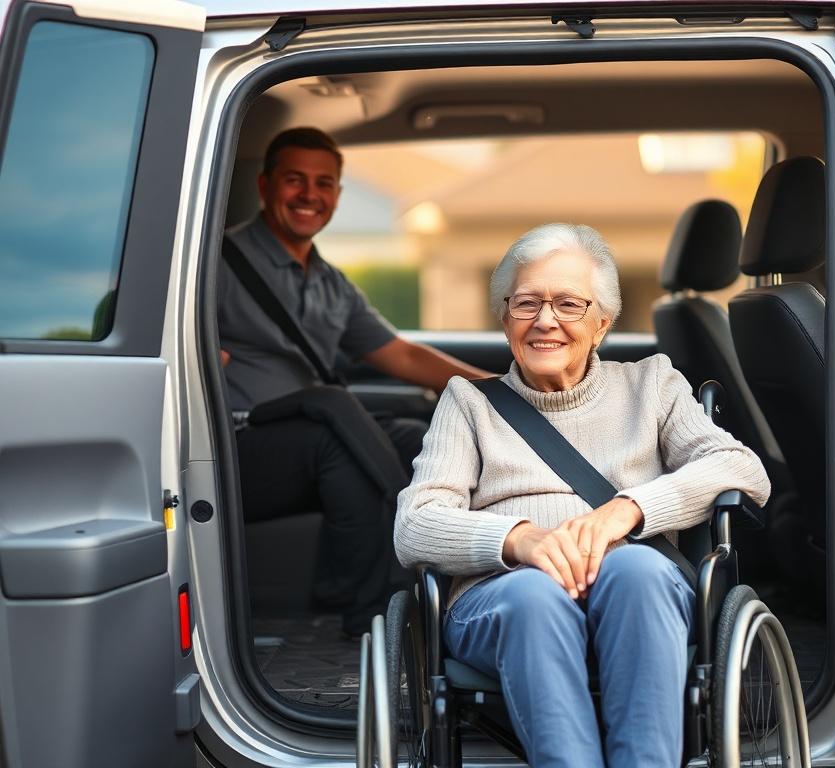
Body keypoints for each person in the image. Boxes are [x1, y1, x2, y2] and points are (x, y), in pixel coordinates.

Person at [395, 223, 770, 767]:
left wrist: (629, 510)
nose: (546, 320)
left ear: (601, 324)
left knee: (635, 572)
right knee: (533, 596)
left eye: (569, 303)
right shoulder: (467, 404)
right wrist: (519, 541)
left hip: (637, 582)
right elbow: (415, 524)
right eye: (527, 303)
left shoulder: (653, 385)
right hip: (505, 597)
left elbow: (742, 468)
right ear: (505, 320)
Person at [218, 127, 490, 636]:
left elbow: (403, 356)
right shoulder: (216, 265)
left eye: (324, 184)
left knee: (417, 437)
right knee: (336, 437)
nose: (309, 195)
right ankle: (359, 617)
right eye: (294, 180)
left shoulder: (331, 283)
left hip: (311, 435)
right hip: (237, 448)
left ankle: (444, 586)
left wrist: (500, 389)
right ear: (265, 185)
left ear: (337, 197)